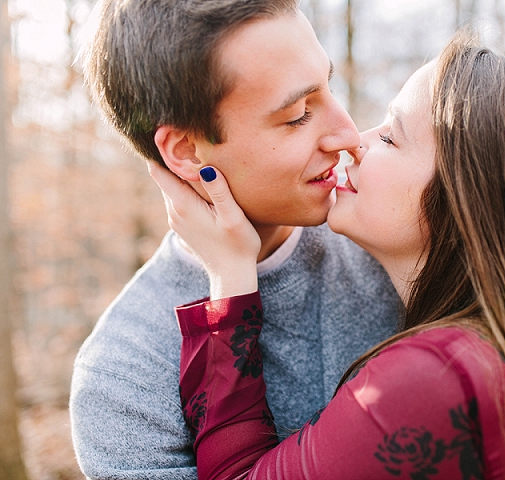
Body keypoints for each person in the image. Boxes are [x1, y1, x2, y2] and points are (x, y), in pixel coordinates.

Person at [151, 34, 505, 479]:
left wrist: (230, 275)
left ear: (465, 201)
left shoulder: (435, 377)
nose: (355, 141)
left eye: (390, 136)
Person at [69, 1, 401, 478]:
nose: (348, 133)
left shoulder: (393, 249)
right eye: (298, 115)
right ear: (185, 152)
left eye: (330, 87)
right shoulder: (124, 377)